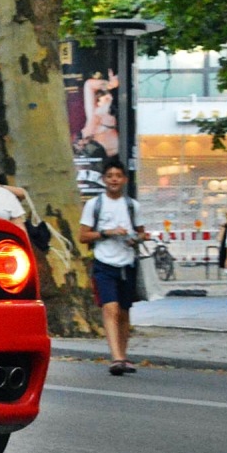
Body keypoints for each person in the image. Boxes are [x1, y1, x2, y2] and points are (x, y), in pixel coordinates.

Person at [78, 157, 147, 376]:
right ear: (104, 180)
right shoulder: (94, 205)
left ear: (124, 179)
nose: (114, 180)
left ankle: (123, 356)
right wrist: (107, 232)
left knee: (124, 313)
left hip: (126, 264)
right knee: (111, 308)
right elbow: (83, 236)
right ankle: (116, 357)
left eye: (118, 176)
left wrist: (135, 238)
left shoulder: (132, 206)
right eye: (110, 176)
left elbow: (142, 232)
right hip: (103, 263)